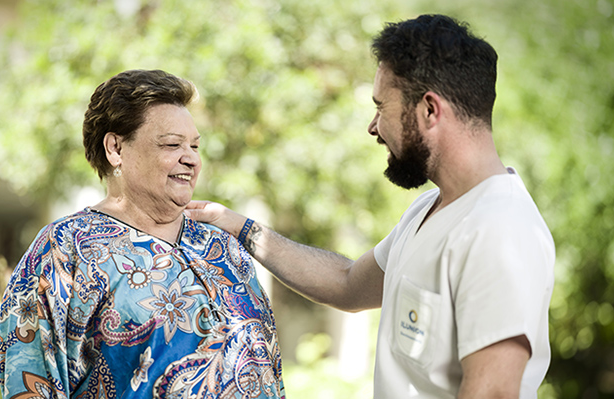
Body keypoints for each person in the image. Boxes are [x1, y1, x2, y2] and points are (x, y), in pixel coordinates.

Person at [186, 14, 555, 399]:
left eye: (382, 106)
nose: (373, 126)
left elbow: (492, 394)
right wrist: (238, 227)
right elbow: (347, 283)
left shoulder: (500, 230)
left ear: (430, 110)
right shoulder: (431, 208)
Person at [0, 69, 285, 399]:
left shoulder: (222, 246)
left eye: (194, 145)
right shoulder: (63, 250)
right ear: (116, 148)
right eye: (173, 144)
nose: (191, 158)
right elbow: (30, 382)